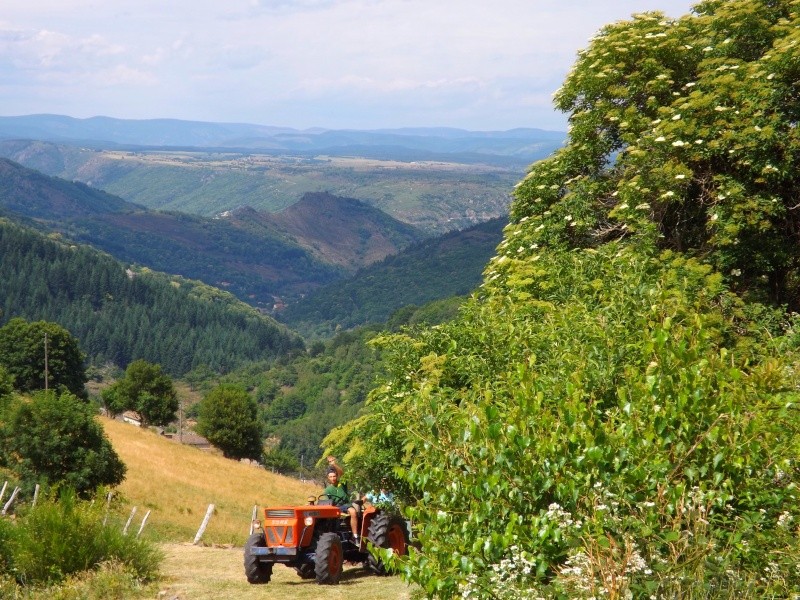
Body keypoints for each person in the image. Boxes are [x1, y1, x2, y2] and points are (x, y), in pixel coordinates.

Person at [322, 466, 360, 543]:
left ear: (337, 476)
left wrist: (334, 464)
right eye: (331, 477)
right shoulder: (327, 490)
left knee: (353, 512)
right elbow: (327, 502)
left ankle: (355, 536)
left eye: (334, 476)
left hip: (345, 505)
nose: (333, 478)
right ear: (328, 478)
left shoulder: (342, 484)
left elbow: (342, 473)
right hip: (335, 507)